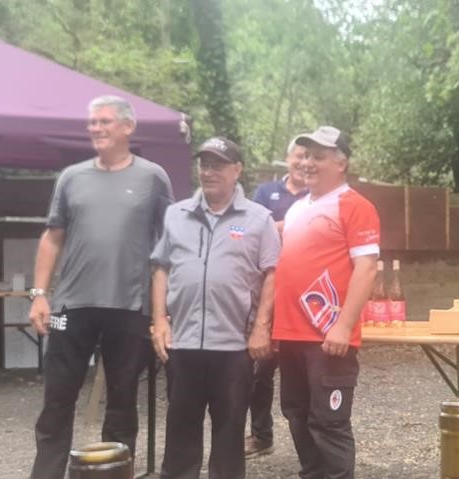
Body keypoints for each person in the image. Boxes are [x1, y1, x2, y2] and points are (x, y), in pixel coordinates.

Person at [28, 95, 174, 479]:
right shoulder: (71, 177)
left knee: (122, 401)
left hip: (130, 305)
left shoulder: (152, 177)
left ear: (128, 127)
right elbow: (52, 237)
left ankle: (115, 473)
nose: (96, 128)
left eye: (105, 121)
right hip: (71, 305)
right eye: (92, 122)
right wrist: (39, 295)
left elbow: (169, 243)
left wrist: (163, 312)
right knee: (57, 398)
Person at [151, 136, 281, 479]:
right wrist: (160, 320)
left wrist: (261, 328)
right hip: (183, 342)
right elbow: (161, 268)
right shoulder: (176, 214)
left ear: (237, 170)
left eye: (218, 166)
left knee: (229, 429)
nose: (208, 172)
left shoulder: (259, 219)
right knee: (180, 427)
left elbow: (272, 274)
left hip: (234, 345)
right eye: (204, 165)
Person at [269, 125, 380, 479]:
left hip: (328, 335)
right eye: (305, 156)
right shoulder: (298, 208)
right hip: (290, 333)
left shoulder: (355, 205)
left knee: (328, 423)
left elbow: (367, 267)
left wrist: (344, 326)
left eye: (318, 157)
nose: (307, 163)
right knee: (297, 415)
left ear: (341, 163)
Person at [245, 138, 307, 459]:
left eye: (308, 156)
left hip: (304, 296)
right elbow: (251, 230)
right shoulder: (265, 191)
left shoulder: (318, 195)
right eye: (298, 155)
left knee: (305, 372)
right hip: (268, 292)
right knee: (260, 369)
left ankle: (311, 442)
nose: (303, 162)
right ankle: (261, 436)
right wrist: (290, 225)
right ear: (288, 158)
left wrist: (277, 226)